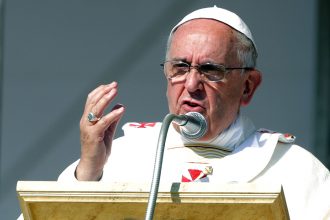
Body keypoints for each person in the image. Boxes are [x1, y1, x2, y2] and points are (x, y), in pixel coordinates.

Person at [58, 6, 330, 219]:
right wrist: (89, 174)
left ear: (248, 87)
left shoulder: (294, 170)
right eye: (180, 67)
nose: (191, 85)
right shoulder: (121, 156)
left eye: (211, 70)